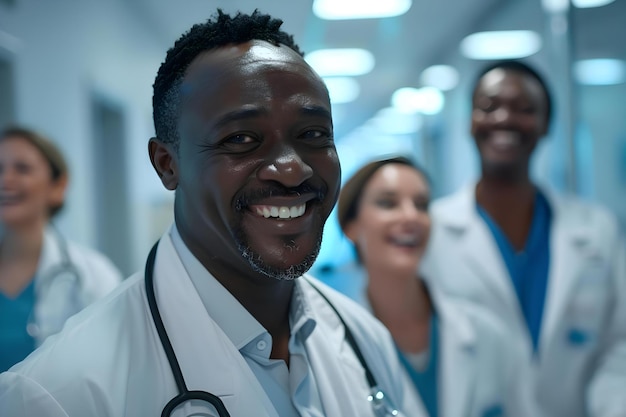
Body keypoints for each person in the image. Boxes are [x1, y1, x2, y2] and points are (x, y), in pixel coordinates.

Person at [0, 10, 425, 417]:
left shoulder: (363, 340)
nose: (292, 168)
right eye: (241, 138)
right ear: (168, 164)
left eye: (313, 133)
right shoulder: (58, 393)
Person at [420, 60, 626, 417]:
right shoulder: (432, 231)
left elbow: (618, 343)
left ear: (546, 125)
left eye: (525, 109)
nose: (504, 118)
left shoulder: (596, 229)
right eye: (489, 107)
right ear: (470, 122)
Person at [337, 155, 534, 417]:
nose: (410, 216)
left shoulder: (487, 334)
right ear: (351, 226)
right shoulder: (335, 348)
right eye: (388, 203)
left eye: (421, 205)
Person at [0, 126, 123, 373]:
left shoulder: (95, 275)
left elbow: (113, 367)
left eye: (22, 169)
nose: (5, 180)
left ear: (58, 186)